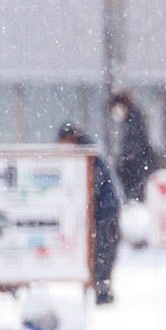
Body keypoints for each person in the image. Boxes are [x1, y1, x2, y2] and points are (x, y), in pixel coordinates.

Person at [59, 123, 121, 305]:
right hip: (102, 211)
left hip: (104, 212)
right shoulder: (86, 153)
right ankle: (101, 288)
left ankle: (102, 290)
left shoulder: (87, 156)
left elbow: (93, 185)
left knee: (102, 252)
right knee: (101, 252)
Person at [109, 90, 161, 202]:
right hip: (139, 164)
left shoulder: (132, 119)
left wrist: (122, 160)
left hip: (136, 166)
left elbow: (133, 144)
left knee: (134, 195)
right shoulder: (133, 117)